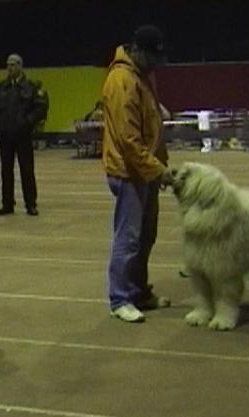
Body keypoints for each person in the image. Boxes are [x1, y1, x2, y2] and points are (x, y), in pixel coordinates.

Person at [101, 25, 172, 323]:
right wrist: (160, 171)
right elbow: (129, 141)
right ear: (137, 50)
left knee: (146, 237)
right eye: (153, 57)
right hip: (129, 171)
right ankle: (119, 298)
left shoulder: (141, 76)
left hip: (145, 171)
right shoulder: (121, 80)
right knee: (128, 238)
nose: (156, 64)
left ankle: (139, 291)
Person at [0, 53, 48, 216]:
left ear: (21, 66)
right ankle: (7, 204)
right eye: (8, 64)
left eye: (14, 64)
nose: (10, 67)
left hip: (23, 136)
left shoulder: (30, 87)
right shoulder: (1, 88)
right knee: (5, 171)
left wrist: (27, 122)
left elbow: (40, 108)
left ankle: (31, 204)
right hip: (6, 136)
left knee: (27, 170)